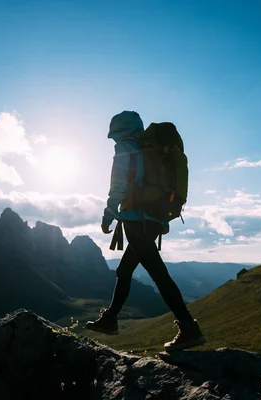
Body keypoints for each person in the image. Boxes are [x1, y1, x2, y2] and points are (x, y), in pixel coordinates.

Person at [85, 110, 206, 352]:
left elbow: (118, 186)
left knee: (157, 273)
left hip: (136, 218)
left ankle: (188, 327)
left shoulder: (125, 150)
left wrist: (108, 215)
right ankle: (111, 318)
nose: (114, 141)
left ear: (119, 132)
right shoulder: (148, 150)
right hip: (151, 219)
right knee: (127, 269)